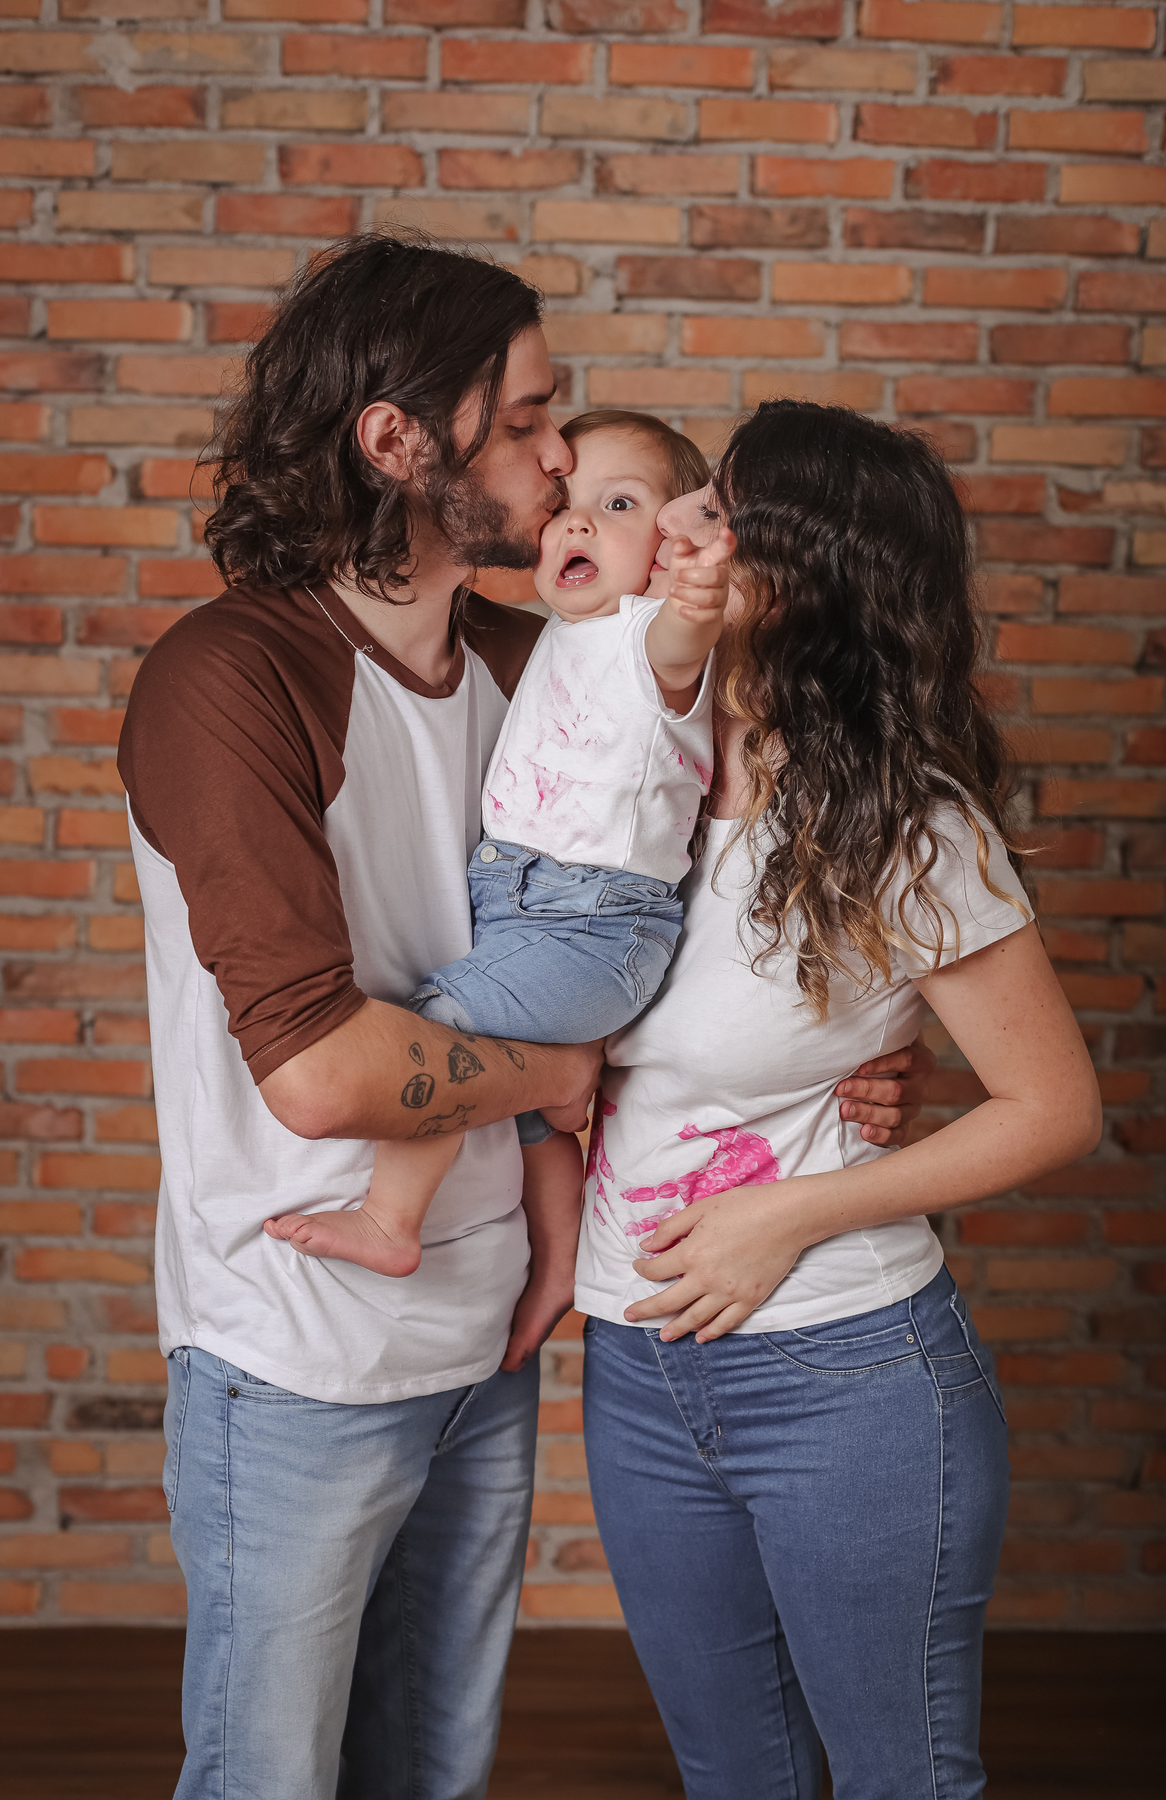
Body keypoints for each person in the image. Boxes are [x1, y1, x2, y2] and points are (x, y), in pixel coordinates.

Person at [119, 230, 932, 1800]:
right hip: (297, 1352)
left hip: (492, 1332)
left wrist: (872, 1063)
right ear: (395, 440)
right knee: (270, 1776)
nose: (562, 457)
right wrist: (562, 1067)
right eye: (527, 420)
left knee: (432, 1770)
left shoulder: (550, 657)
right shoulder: (230, 681)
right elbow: (320, 1075)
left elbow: (742, 895)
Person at [578, 400, 1103, 1800]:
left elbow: (1054, 1107)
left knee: (900, 1782)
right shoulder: (624, 757)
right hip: (636, 1365)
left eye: (719, 511)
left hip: (847, 1377)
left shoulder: (905, 825)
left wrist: (793, 1212)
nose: (675, 522)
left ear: (803, 574)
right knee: (732, 1777)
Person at [267, 412, 734, 1363]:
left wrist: (696, 587)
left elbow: (686, 633)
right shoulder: (557, 636)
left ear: (664, 548)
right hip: (527, 912)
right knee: (525, 1114)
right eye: (567, 508)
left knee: (436, 1030)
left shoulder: (650, 639)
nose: (580, 524)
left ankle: (392, 1220)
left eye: (619, 506)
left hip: (595, 926)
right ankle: (560, 1258)